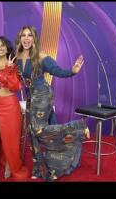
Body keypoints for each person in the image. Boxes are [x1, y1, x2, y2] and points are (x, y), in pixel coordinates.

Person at [15, 25, 90, 181]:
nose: (27, 38)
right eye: (24, 35)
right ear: (20, 38)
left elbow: (58, 71)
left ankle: (79, 128)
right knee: (31, 133)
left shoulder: (41, 56)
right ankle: (38, 170)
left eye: (30, 35)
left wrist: (72, 71)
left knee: (38, 130)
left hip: (42, 95)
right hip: (31, 97)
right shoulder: (17, 56)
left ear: (34, 39)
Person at [0, 36, 29, 182]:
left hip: (10, 104)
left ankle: (9, 164)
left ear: (7, 48)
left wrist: (11, 71)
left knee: (10, 138)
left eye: (3, 45)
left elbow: (16, 87)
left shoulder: (13, 64)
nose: (0, 48)